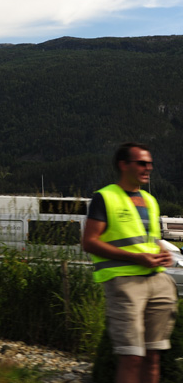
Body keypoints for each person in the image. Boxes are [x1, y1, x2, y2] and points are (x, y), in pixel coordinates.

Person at [82, 142, 178, 383]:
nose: (149, 168)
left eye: (150, 163)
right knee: (132, 356)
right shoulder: (105, 197)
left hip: (158, 281)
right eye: (142, 163)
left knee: (153, 355)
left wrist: (162, 252)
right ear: (123, 165)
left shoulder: (150, 200)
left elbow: (150, 240)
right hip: (125, 284)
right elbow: (89, 242)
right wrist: (136, 258)